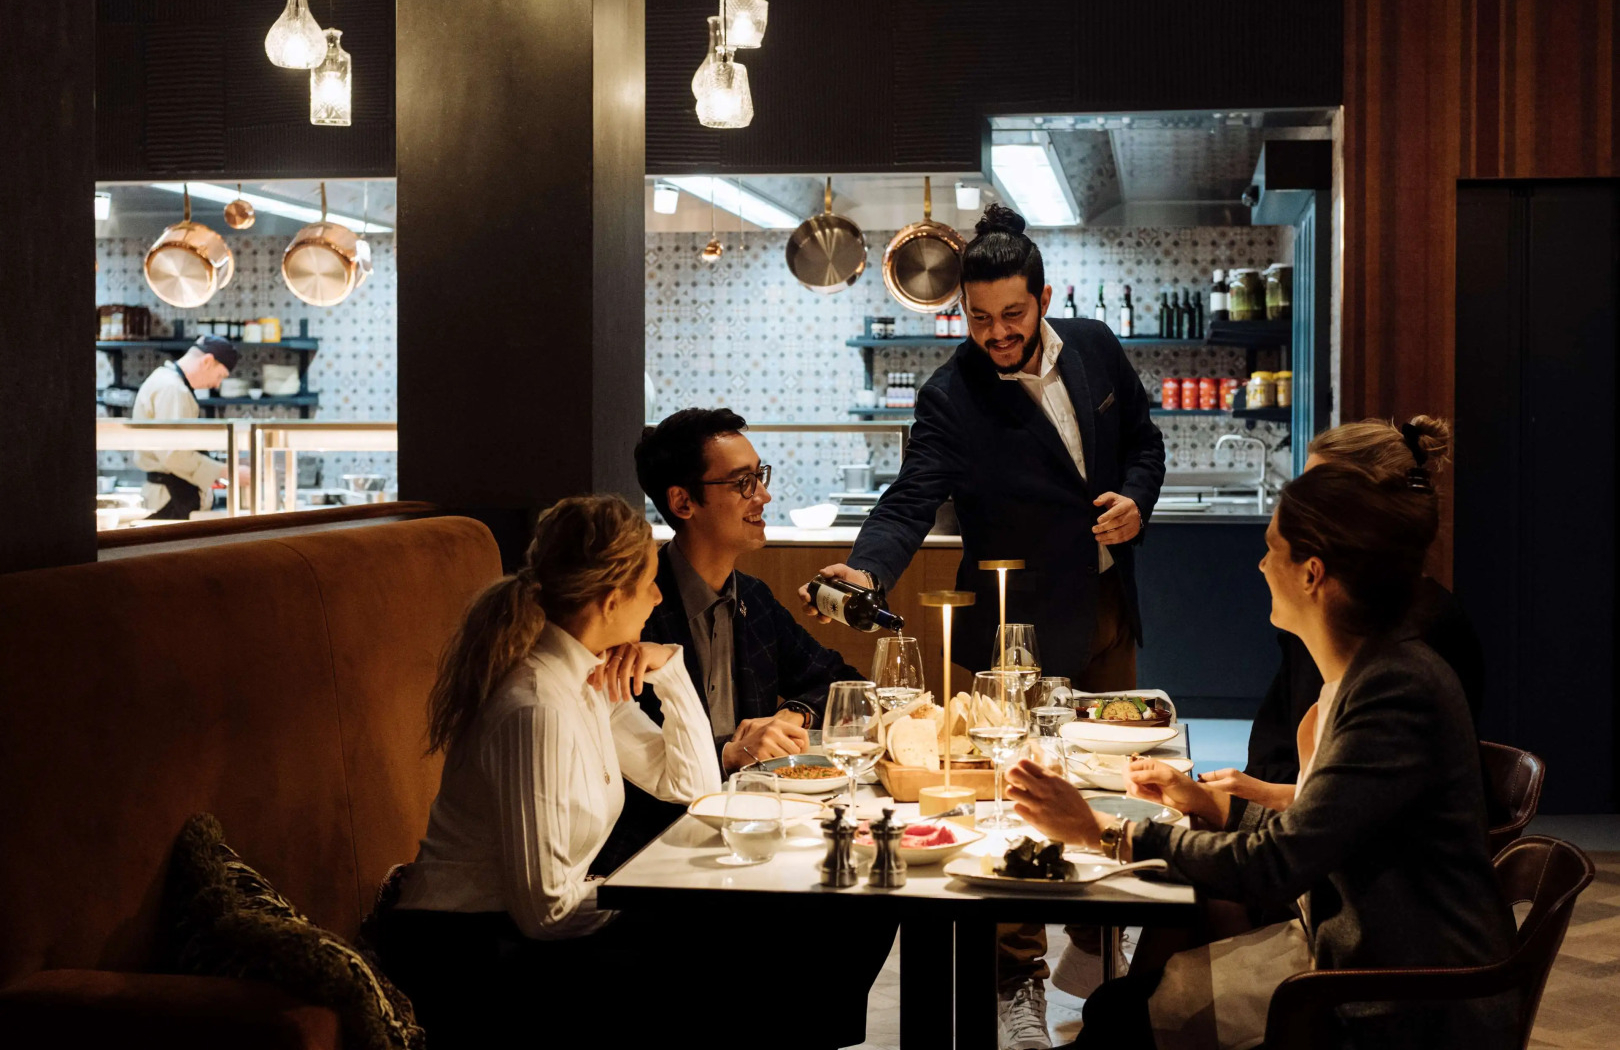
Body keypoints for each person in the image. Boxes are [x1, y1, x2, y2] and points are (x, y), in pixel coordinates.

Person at [800, 204, 1167, 1048]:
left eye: (1011, 315)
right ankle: (1017, 981)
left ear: (1042, 299)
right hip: (1017, 633)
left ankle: (1097, 953)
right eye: (978, 318)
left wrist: (1135, 503)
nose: (996, 334)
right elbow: (910, 498)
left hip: (1110, 609)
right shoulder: (951, 396)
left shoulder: (1098, 347)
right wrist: (865, 570)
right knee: (1018, 803)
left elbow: (1144, 445)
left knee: (1114, 787)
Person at [1008, 458, 1517, 1050]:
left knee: (1121, 1019)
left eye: (1272, 548)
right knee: (1121, 1006)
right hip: (1368, 959)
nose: (1259, 564)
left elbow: (1277, 865)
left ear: (1312, 574)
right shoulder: (1373, 671)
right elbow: (1320, 830)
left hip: (1405, 999)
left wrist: (1101, 829)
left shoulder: (1394, 690)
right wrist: (1204, 801)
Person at [377, 495, 722, 1046]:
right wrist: (660, 894)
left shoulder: (583, 680)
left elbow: (693, 787)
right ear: (611, 601)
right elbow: (547, 913)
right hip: (464, 954)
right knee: (711, 957)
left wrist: (671, 670)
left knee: (726, 944)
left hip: (513, 937)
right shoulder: (536, 706)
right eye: (651, 582)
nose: (659, 597)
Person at [591, 407, 867, 877]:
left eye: (760, 476)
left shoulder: (753, 601)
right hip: (658, 851)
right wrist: (728, 752)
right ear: (683, 503)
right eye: (743, 483)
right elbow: (619, 753)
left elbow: (845, 684)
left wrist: (790, 714)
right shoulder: (634, 610)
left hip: (752, 833)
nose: (764, 494)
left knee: (864, 889)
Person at [1202, 416, 1485, 812]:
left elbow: (1336, 819)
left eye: (1322, 494)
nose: (1264, 565)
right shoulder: (1333, 623)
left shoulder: (1400, 662)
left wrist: (1228, 810)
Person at [132, 335, 239, 520]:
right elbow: (175, 455)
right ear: (207, 361)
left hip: (171, 496)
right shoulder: (173, 389)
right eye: (220, 375)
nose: (217, 384)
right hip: (169, 499)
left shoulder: (167, 381)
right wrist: (225, 472)